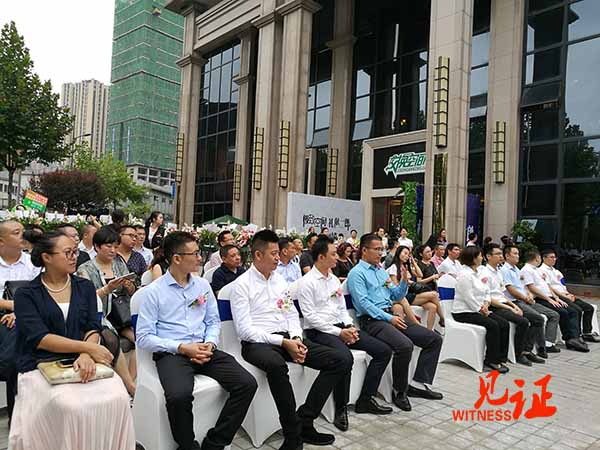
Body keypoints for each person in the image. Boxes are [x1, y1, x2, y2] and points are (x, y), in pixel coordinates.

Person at [9, 231, 136, 450]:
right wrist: (87, 348)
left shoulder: (83, 286)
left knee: (117, 395)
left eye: (76, 252)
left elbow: (92, 325)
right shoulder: (26, 294)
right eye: (68, 252)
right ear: (47, 257)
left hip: (82, 358)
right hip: (41, 361)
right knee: (68, 404)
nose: (74, 257)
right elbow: (39, 338)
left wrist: (87, 354)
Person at [231, 230, 351, 449]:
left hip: (287, 339)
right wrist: (284, 343)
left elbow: (290, 314)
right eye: (274, 253)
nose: (279, 258)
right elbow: (245, 330)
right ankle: (293, 435)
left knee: (341, 360)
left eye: (278, 253)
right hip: (257, 344)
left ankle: (305, 419)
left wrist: (296, 337)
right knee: (276, 365)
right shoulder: (241, 285)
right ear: (258, 255)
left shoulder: (280, 282)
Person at [136, 231, 257, 450]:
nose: (200, 258)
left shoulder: (202, 286)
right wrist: (182, 347)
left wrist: (210, 344)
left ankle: (215, 442)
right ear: (177, 258)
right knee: (179, 396)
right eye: (195, 253)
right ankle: (186, 445)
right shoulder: (153, 292)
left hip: (204, 348)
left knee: (247, 384)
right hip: (173, 353)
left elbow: (213, 322)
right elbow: (144, 337)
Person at [298, 236, 392, 431]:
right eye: (333, 254)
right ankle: (341, 408)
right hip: (319, 332)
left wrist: (348, 326)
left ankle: (365, 399)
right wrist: (339, 332)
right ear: (321, 257)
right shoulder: (307, 283)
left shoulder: (333, 280)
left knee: (383, 351)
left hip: (341, 327)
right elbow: (311, 317)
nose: (337, 257)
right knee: (345, 358)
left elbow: (341, 308)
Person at [348, 234, 443, 412]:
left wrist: (404, 283)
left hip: (391, 316)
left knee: (434, 339)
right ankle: (400, 391)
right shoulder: (357, 273)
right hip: (373, 321)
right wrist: (389, 318)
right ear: (364, 250)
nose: (380, 253)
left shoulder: (381, 271)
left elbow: (396, 296)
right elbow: (364, 304)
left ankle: (417, 383)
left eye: (381, 249)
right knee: (404, 345)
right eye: (376, 249)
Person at [77, 226, 138, 378]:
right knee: (112, 338)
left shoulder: (119, 264)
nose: (113, 250)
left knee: (141, 340)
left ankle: (130, 381)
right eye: (108, 246)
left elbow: (130, 293)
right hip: (101, 315)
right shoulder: (85, 269)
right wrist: (107, 289)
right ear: (97, 247)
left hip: (120, 314)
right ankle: (128, 385)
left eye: (115, 247)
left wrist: (129, 287)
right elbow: (87, 298)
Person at [0, 220, 41, 420]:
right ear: (1, 241)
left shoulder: (32, 263)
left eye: (23, 232)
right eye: (16, 233)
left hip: (24, 317)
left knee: (17, 351)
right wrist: (11, 307)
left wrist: (19, 312)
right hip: (4, 315)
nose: (23, 236)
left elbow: (40, 295)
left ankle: (18, 417)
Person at [482, 244, 545, 366]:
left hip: (507, 302)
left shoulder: (498, 272)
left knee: (534, 319)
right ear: (488, 256)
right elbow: (489, 297)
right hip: (493, 305)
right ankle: (518, 353)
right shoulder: (485, 273)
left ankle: (525, 351)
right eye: (498, 254)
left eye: (501, 254)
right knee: (523, 321)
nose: (500, 257)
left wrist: (514, 306)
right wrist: (511, 307)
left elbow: (502, 293)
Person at [452, 246, 510, 373]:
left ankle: (500, 357)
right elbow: (468, 297)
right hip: (464, 311)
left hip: (480, 308)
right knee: (493, 325)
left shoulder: (479, 272)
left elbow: (486, 290)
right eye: (479, 256)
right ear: (473, 258)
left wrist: (486, 303)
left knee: (504, 324)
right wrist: (480, 309)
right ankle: (491, 360)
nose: (481, 258)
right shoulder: (464, 275)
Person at [521, 250, 588, 352]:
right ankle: (567, 339)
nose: (554, 259)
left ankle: (574, 338)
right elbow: (532, 288)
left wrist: (556, 298)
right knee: (562, 312)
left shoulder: (535, 270)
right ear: (538, 258)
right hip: (541, 298)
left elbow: (547, 286)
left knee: (572, 310)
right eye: (552, 257)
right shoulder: (527, 270)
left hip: (550, 297)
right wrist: (549, 299)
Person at [501, 245, 559, 358]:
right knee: (537, 318)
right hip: (515, 301)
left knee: (540, 317)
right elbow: (511, 289)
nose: (518, 256)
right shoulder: (505, 270)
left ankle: (538, 348)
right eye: (515, 254)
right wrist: (525, 297)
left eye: (518, 253)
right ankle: (529, 350)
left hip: (524, 300)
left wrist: (528, 295)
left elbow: (523, 287)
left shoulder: (517, 269)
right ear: (507, 256)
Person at [539, 249, 600, 343]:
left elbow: (562, 285)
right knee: (577, 310)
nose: (554, 259)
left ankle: (587, 333)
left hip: (566, 294)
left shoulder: (557, 271)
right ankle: (577, 335)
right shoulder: (541, 271)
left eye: (555, 257)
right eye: (551, 257)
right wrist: (563, 295)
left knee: (589, 308)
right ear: (544, 258)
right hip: (558, 296)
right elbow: (549, 287)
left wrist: (569, 293)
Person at [388, 246, 445, 330]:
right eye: (405, 253)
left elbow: (420, 274)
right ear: (398, 253)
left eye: (408, 254)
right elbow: (397, 289)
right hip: (402, 296)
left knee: (433, 306)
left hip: (408, 294)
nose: (407, 256)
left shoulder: (405, 267)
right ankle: (442, 318)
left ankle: (429, 332)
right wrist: (405, 281)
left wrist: (413, 262)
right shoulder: (394, 268)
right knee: (434, 294)